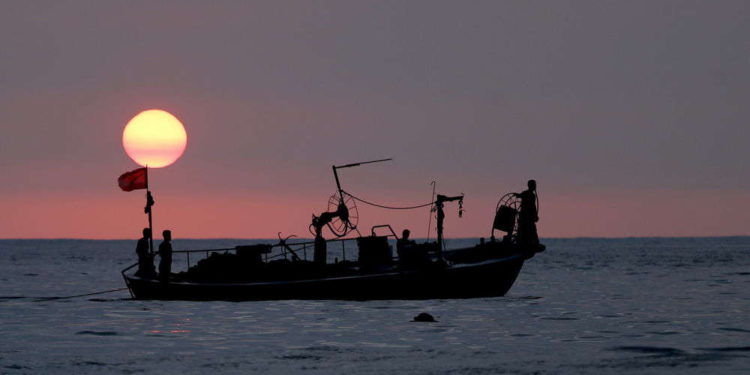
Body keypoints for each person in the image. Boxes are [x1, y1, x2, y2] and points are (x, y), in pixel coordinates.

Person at [514, 180, 539, 249]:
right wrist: (535, 216)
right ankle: (531, 243)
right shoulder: (530, 195)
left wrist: (517, 195)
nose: (535, 187)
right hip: (526, 218)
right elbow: (533, 207)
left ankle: (525, 243)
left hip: (525, 217)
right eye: (534, 185)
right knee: (529, 230)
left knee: (526, 230)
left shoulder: (527, 194)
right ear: (531, 186)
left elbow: (520, 196)